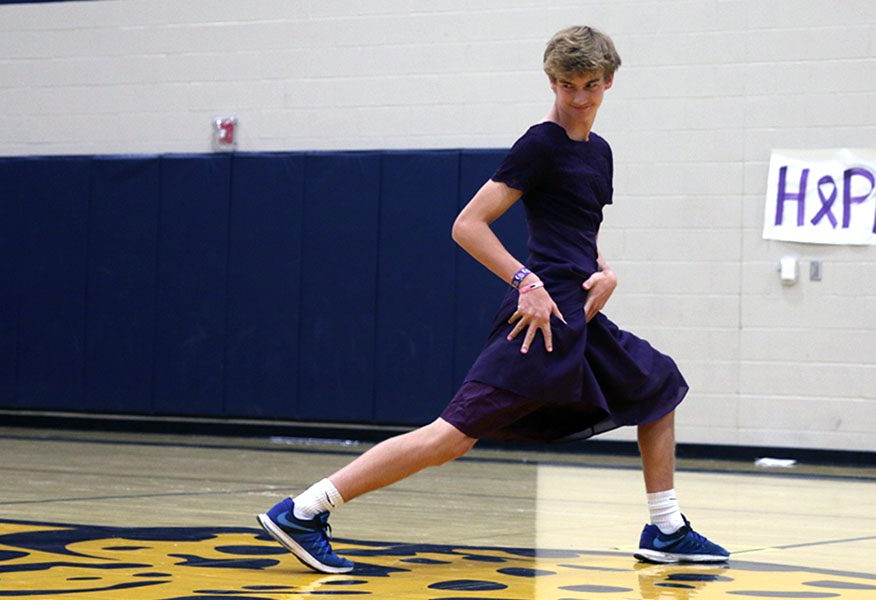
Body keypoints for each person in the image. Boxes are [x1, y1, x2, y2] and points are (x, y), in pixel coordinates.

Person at [256, 25, 729, 573]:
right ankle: (304, 511)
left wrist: (605, 271)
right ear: (551, 82)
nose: (579, 98)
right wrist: (526, 282)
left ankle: (666, 528)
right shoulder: (539, 146)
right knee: (449, 437)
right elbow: (468, 225)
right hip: (542, 320)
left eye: (590, 85)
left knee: (658, 386)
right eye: (567, 85)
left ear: (610, 82)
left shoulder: (599, 152)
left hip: (580, 315)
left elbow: (580, 226)